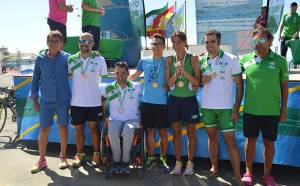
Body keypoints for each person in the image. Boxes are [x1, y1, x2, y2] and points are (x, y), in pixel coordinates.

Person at [240, 27, 289, 186]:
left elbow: (284, 88)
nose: (258, 43)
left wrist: (283, 111)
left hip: (271, 111)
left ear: (269, 41)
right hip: (251, 110)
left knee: (269, 143)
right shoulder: (245, 59)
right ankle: (248, 172)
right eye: (255, 40)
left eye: (261, 40)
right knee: (250, 141)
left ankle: (267, 175)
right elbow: (227, 68)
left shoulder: (280, 61)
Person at [200, 29, 244, 185]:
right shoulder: (200, 61)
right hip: (207, 106)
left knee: (230, 141)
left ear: (218, 41)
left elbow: (239, 85)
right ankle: (214, 168)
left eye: (212, 41)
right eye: (206, 42)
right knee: (212, 138)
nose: (209, 45)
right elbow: (196, 83)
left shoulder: (232, 59)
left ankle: (237, 176)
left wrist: (236, 108)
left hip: (225, 108)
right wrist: (200, 81)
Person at [30, 30, 71, 173]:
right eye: (51, 41)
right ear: (47, 42)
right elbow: (35, 80)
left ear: (61, 43)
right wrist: (35, 100)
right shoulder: (40, 59)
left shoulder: (68, 58)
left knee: (63, 128)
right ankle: (42, 160)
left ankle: (63, 156)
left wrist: (95, 53)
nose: (54, 44)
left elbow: (82, 62)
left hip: (63, 100)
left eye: (56, 41)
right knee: (44, 130)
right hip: (46, 101)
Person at [129, 33, 170, 173]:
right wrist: (121, 83)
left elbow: (174, 79)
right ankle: (152, 157)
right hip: (147, 102)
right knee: (149, 131)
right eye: (153, 44)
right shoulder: (144, 61)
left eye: (159, 44)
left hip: (162, 102)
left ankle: (163, 158)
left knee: (163, 132)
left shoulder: (168, 61)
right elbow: (134, 76)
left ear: (164, 46)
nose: (156, 47)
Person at [68, 32, 108, 167]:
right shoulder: (71, 59)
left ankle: (97, 154)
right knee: (78, 130)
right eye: (82, 40)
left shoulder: (100, 59)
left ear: (93, 43)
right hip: (76, 102)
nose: (84, 43)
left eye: (87, 41)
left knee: (94, 128)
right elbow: (66, 77)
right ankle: (80, 155)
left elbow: (105, 78)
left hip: (94, 102)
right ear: (79, 43)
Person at [165, 31, 200, 176]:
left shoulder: (193, 59)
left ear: (185, 42)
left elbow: (197, 82)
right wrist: (175, 72)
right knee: (177, 133)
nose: (175, 45)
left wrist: (183, 70)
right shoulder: (169, 59)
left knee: (191, 132)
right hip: (174, 100)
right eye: (173, 42)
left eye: (178, 42)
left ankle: (190, 163)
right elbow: (169, 83)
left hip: (189, 100)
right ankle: (178, 163)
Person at [101, 62, 143, 174]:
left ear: (128, 73)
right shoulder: (108, 88)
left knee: (128, 132)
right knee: (112, 132)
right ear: (114, 74)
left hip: (132, 119)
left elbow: (148, 97)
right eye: (118, 73)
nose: (121, 76)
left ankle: (125, 161)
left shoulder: (136, 87)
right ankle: (116, 160)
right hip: (115, 119)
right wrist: (104, 117)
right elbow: (102, 100)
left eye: (123, 73)